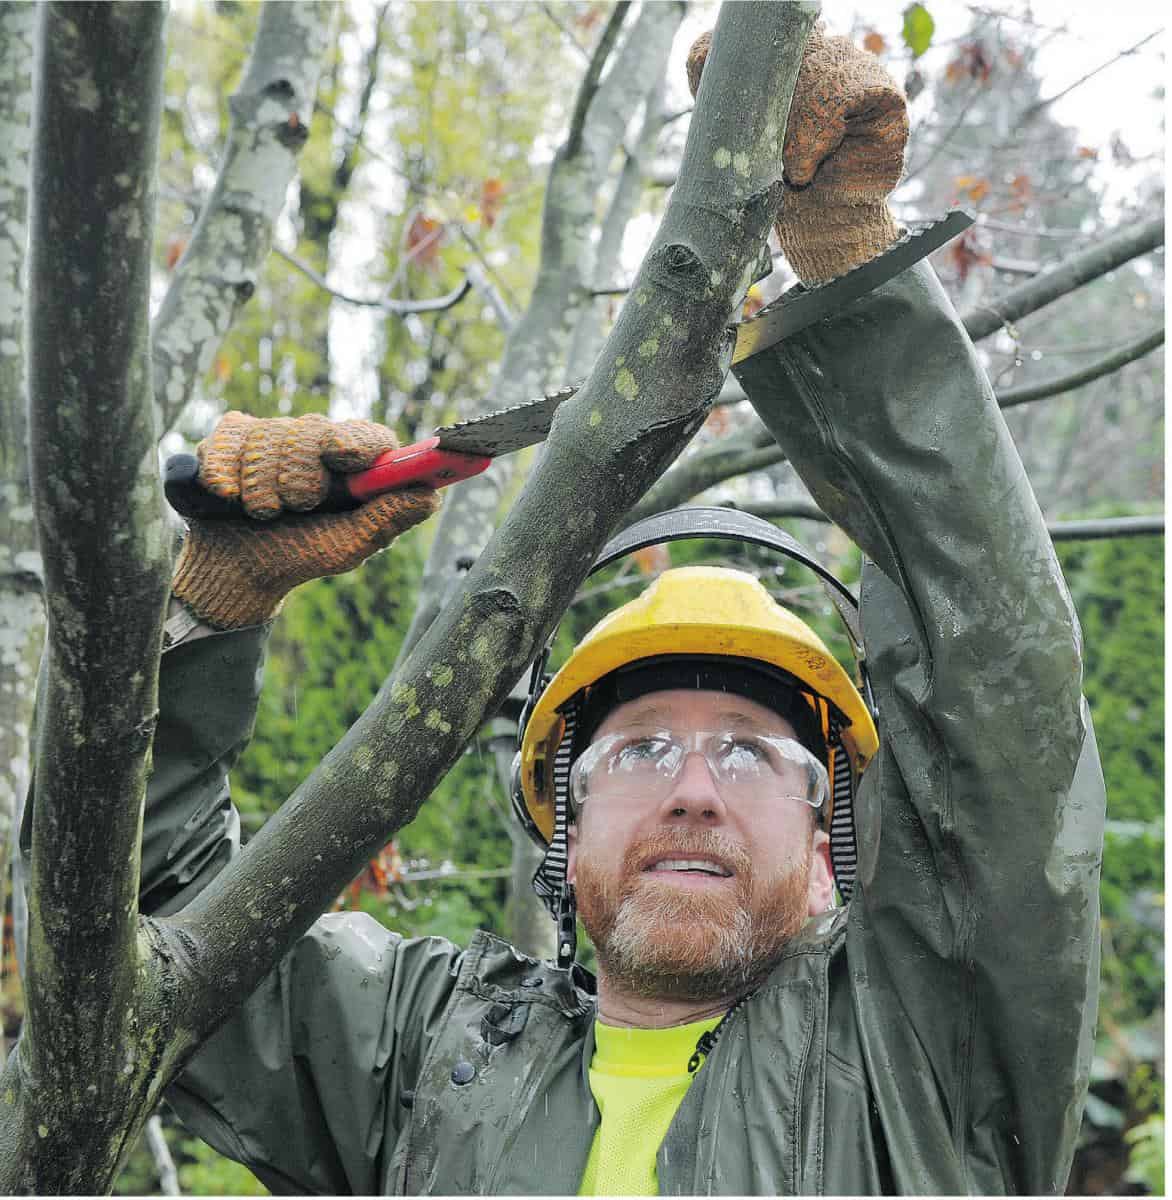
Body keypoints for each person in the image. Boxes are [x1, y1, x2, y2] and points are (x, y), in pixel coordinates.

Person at [47, 23, 1104, 1195]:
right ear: (563, 815)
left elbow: (997, 696)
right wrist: (205, 611)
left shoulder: (919, 1057)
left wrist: (845, 259)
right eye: (641, 748)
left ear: (827, 840)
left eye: (751, 758)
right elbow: (130, 935)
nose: (693, 790)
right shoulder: (417, 1057)